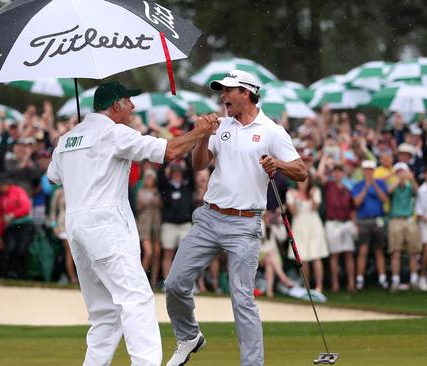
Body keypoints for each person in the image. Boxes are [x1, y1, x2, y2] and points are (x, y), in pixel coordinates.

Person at [46, 81, 218, 366]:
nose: (133, 106)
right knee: (136, 300)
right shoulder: (115, 133)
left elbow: (55, 176)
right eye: (128, 101)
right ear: (115, 106)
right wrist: (200, 132)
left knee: (104, 314)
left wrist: (80, 147)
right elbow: (171, 151)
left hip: (77, 228)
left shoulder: (66, 139)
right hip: (106, 226)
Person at [164, 70, 306, 366]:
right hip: (209, 217)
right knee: (175, 283)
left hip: (244, 224)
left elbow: (301, 172)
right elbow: (200, 165)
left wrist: (276, 163)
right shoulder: (221, 125)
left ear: (247, 93)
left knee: (242, 299)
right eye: (222, 91)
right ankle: (189, 336)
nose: (223, 96)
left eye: (229, 90)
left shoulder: (272, 131)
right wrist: (203, 137)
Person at [317, 159, 357, 293]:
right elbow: (319, 175)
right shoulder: (328, 186)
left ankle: (351, 284)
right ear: (333, 174)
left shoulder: (347, 190)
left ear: (343, 174)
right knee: (334, 255)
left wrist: (354, 224)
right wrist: (325, 159)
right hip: (332, 223)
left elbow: (352, 209)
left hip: (346, 222)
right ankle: (335, 285)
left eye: (340, 172)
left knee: (348, 254)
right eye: (336, 172)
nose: (338, 174)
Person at [286, 170, 329, 293]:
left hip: (314, 225)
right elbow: (293, 212)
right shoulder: (291, 193)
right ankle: (306, 287)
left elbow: (315, 207)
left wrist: (310, 195)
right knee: (303, 258)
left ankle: (319, 287)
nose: (302, 183)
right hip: (299, 226)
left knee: (316, 256)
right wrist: (295, 198)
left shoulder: (315, 191)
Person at [352, 160, 389, 290]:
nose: (368, 172)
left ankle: (383, 279)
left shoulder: (380, 183)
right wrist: (366, 187)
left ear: (373, 171)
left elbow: (385, 199)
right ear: (363, 171)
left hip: (378, 220)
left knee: (379, 250)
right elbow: (356, 203)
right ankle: (360, 279)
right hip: (363, 221)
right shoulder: (358, 185)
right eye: (366, 170)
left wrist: (374, 185)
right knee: (363, 250)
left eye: (370, 170)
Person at [386, 162, 421, 292]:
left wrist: (410, 179)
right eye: (399, 172)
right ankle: (395, 281)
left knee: (413, 252)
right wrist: (398, 179)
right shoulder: (392, 185)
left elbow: (417, 191)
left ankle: (414, 280)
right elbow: (389, 191)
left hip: (409, 219)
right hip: (395, 220)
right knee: (396, 252)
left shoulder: (409, 185)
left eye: (403, 172)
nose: (401, 174)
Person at [135, 168, 162, 287]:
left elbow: (160, 204)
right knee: (149, 252)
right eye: (148, 177)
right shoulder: (141, 190)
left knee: (157, 253)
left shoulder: (157, 191)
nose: (150, 180)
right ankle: (139, 280)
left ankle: (153, 282)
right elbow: (141, 204)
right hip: (144, 226)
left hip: (155, 226)